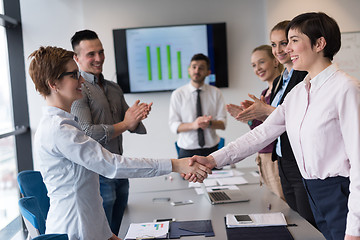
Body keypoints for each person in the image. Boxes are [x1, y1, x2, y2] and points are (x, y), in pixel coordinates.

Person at [189, 12, 360, 240]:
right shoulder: (298, 93)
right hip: (312, 191)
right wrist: (212, 160)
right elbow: (261, 134)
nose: (287, 49)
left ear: (319, 43)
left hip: (341, 193)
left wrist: (354, 229)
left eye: (294, 41)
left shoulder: (345, 89)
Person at [29, 46, 210, 240]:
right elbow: (111, 165)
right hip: (75, 230)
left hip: (86, 225)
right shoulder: (59, 130)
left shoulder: (64, 124)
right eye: (74, 75)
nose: (81, 79)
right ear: (53, 84)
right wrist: (175, 164)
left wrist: (107, 234)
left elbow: (86, 191)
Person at [226, 21, 316, 227]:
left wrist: (263, 111)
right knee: (293, 217)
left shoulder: (304, 77)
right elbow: (271, 125)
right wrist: (253, 115)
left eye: (284, 43)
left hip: (298, 160)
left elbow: (300, 118)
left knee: (306, 221)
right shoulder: (279, 82)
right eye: (273, 44)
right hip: (282, 159)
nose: (279, 50)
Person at [70, 30, 147, 235]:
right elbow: (86, 132)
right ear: (76, 58)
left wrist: (136, 117)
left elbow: (128, 122)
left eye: (101, 52)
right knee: (102, 233)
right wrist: (125, 123)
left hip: (119, 167)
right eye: (91, 54)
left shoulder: (114, 88)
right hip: (98, 173)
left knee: (118, 230)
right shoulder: (78, 89)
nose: (98, 58)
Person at [227, 45, 284, 200]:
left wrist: (255, 115)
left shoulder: (282, 91)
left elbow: (278, 125)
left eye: (261, 62)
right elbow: (262, 128)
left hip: (275, 157)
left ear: (275, 61)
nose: (257, 68)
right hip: (263, 156)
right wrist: (249, 117)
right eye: (253, 65)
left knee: (283, 203)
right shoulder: (264, 94)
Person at [169, 53, 226, 158]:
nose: (196, 71)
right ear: (189, 70)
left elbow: (223, 124)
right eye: (194, 67)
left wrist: (209, 123)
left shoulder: (216, 93)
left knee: (218, 175)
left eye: (201, 68)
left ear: (208, 72)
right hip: (187, 151)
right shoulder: (178, 94)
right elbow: (173, 126)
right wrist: (194, 125)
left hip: (212, 151)